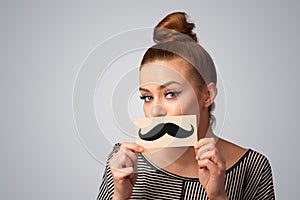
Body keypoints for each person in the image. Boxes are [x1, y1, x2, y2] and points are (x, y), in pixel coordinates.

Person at [97, 12, 275, 200]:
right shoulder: (122, 162)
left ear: (207, 95)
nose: (156, 110)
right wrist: (120, 195)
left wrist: (218, 196)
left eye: (170, 94)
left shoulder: (253, 167)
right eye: (147, 97)